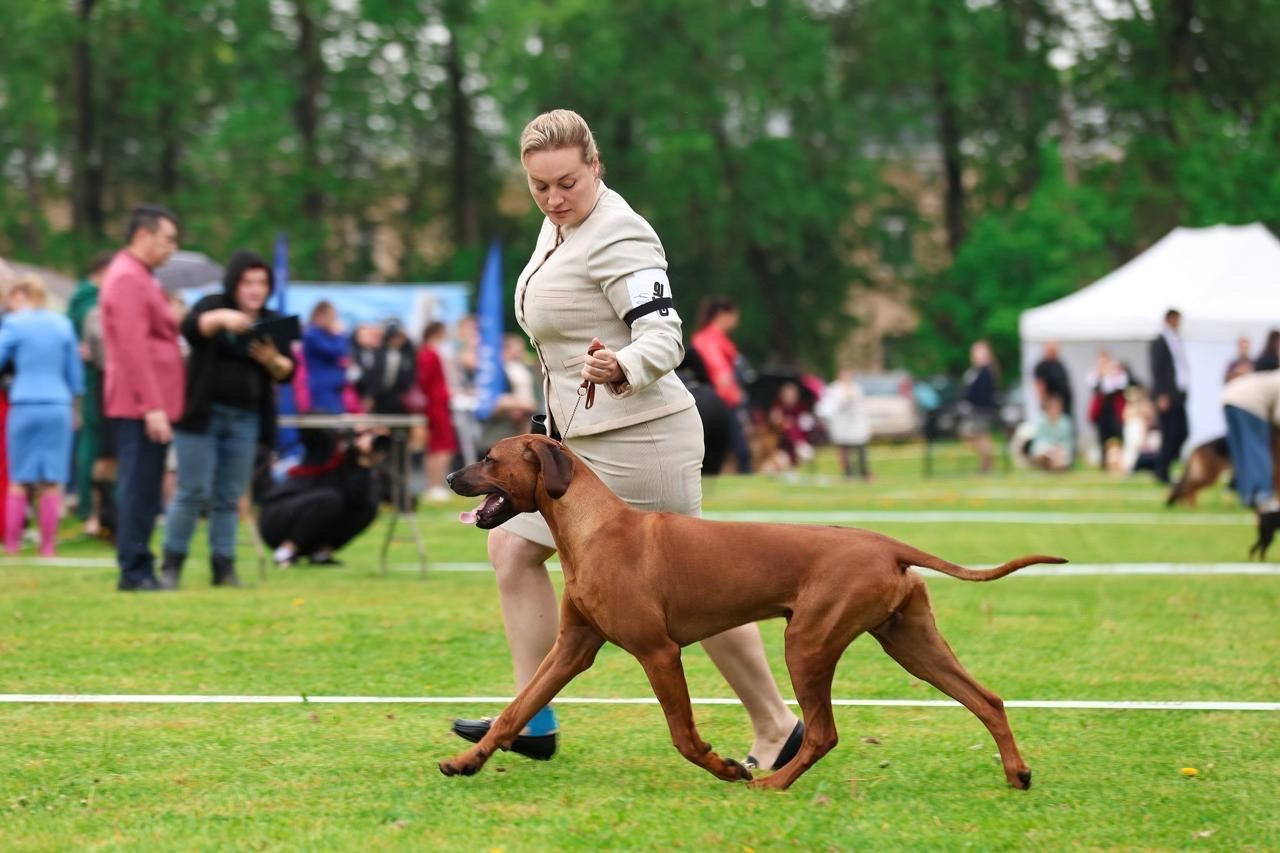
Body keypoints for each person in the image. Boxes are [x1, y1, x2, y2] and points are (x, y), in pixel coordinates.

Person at [451, 109, 802, 770]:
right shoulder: (557, 229)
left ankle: (777, 722)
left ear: (596, 166)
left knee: (697, 591)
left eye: (566, 183)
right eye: (539, 187)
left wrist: (622, 365)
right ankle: (532, 717)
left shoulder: (620, 232)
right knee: (510, 549)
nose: (554, 199)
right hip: (583, 441)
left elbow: (665, 334)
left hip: (643, 436)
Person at [159, 249, 296, 589]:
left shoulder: (272, 320)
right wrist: (222, 319)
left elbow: (287, 371)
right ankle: (171, 564)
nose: (255, 290)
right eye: (248, 282)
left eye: (262, 283)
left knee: (230, 496)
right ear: (234, 282)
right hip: (202, 416)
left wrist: (272, 360)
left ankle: (224, 566)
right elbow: (191, 329)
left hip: (246, 419)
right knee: (192, 491)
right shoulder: (211, 304)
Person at [100, 204, 184, 591]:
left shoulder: (141, 276)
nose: (172, 248)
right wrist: (151, 405)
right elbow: (132, 348)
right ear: (144, 235)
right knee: (138, 488)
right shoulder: (128, 278)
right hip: (139, 405)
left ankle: (141, 565)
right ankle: (134, 570)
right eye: (168, 239)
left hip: (148, 403)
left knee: (147, 488)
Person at [0, 276, 84, 556]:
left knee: (18, 480)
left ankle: (12, 546)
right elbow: (75, 374)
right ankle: (47, 547)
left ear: (22, 295)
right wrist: (75, 405)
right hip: (58, 404)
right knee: (52, 481)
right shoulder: (63, 325)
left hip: (23, 403)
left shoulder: (14, 324)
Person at [259, 429, 388, 567]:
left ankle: (321, 553)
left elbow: (359, 500)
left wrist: (365, 462)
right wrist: (352, 428)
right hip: (278, 516)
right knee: (330, 499)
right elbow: (310, 427)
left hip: (314, 519)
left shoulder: (356, 463)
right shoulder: (325, 444)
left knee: (368, 508)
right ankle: (286, 551)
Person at [67, 251, 114, 527]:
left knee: (95, 443)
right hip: (94, 380)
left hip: (89, 378)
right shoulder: (90, 300)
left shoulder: (78, 297)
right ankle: (91, 507)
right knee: (95, 444)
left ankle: (96, 508)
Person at [690, 297, 752, 473]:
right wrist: (733, 394)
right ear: (723, 315)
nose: (736, 322)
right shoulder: (709, 339)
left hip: (716, 400)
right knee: (739, 450)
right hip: (718, 402)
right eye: (734, 316)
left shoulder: (714, 338)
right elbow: (720, 372)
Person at [1221, 371, 1280, 532]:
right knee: (1258, 451)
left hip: (1229, 398)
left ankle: (1247, 496)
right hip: (1250, 404)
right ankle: (1263, 496)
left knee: (1242, 455)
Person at [417, 320, 459, 501]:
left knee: (436, 445)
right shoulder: (430, 354)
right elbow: (425, 381)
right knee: (441, 444)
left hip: (436, 403)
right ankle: (435, 485)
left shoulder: (428, 353)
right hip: (436, 404)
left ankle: (434, 485)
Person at [1149, 308, 1189, 484]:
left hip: (1179, 394)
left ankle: (1164, 466)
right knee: (1169, 434)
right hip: (1168, 395)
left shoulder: (1177, 340)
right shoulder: (1159, 342)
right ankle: (1161, 470)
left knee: (1182, 432)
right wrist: (1161, 395)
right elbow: (1157, 370)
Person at [816, 368, 872, 480]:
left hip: (856, 424)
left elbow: (861, 404)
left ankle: (864, 472)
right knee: (844, 449)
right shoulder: (834, 388)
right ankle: (848, 473)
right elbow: (829, 406)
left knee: (860, 448)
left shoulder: (856, 387)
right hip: (841, 424)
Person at [303, 300, 349, 414]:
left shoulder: (325, 335)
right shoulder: (312, 334)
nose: (334, 322)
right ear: (319, 316)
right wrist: (340, 335)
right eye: (331, 318)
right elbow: (336, 352)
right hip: (321, 391)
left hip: (333, 390)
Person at [1086, 350, 1129, 469]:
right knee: (1102, 437)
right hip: (1102, 410)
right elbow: (1093, 386)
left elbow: (1120, 386)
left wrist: (1111, 374)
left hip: (1114, 409)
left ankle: (1119, 461)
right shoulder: (1094, 373)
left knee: (1117, 435)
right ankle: (1104, 463)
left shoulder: (1118, 372)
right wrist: (1100, 374)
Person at [961, 340, 999, 473]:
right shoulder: (976, 371)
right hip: (974, 409)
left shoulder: (986, 371)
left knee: (982, 436)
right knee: (975, 436)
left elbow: (984, 393)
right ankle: (986, 463)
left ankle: (986, 464)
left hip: (982, 409)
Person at [1029, 394, 1074, 471]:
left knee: (1061, 455)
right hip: (1046, 448)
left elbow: (1068, 441)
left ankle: (1054, 466)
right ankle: (1050, 464)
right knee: (1042, 452)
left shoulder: (1065, 422)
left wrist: (1058, 448)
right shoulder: (1042, 422)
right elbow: (1039, 441)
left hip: (1060, 449)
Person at [1032, 340, 1073, 417]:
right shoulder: (1041, 366)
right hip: (1052, 405)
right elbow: (1039, 386)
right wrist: (1046, 403)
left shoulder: (1059, 364)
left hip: (1064, 405)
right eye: (1052, 350)